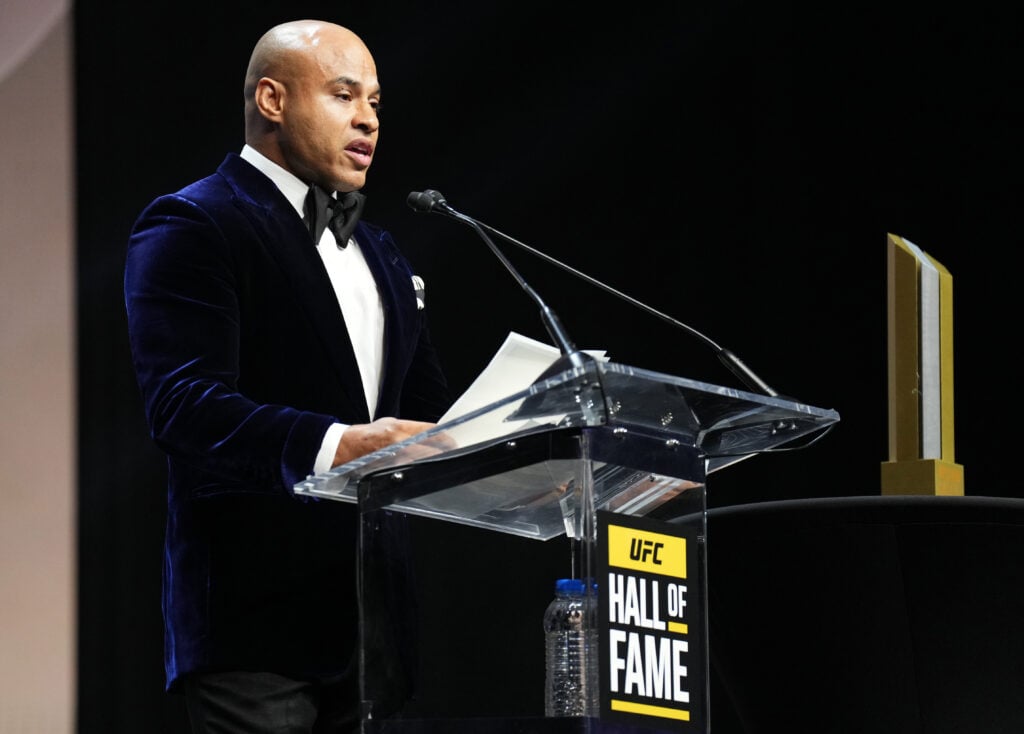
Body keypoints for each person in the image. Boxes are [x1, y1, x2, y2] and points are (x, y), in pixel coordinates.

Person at [123, 19, 451, 733]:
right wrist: (340, 446)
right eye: (342, 95)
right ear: (272, 100)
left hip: (375, 636)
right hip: (254, 627)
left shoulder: (384, 253)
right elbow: (184, 406)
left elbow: (427, 413)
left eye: (374, 102)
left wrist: (528, 437)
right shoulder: (194, 222)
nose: (367, 118)